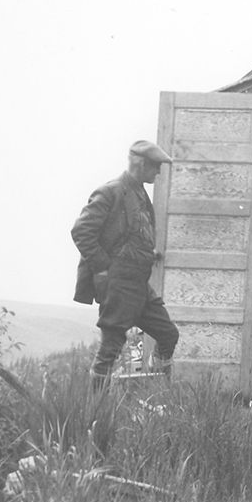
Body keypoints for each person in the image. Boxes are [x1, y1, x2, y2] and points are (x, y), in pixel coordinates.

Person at [72, 140, 180, 391]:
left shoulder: (140, 193)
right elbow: (81, 231)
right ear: (141, 164)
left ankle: (157, 392)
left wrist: (146, 253)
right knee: (111, 347)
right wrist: (102, 268)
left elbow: (132, 233)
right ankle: (96, 410)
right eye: (155, 167)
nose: (159, 172)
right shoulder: (111, 191)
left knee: (168, 334)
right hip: (118, 283)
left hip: (139, 284)